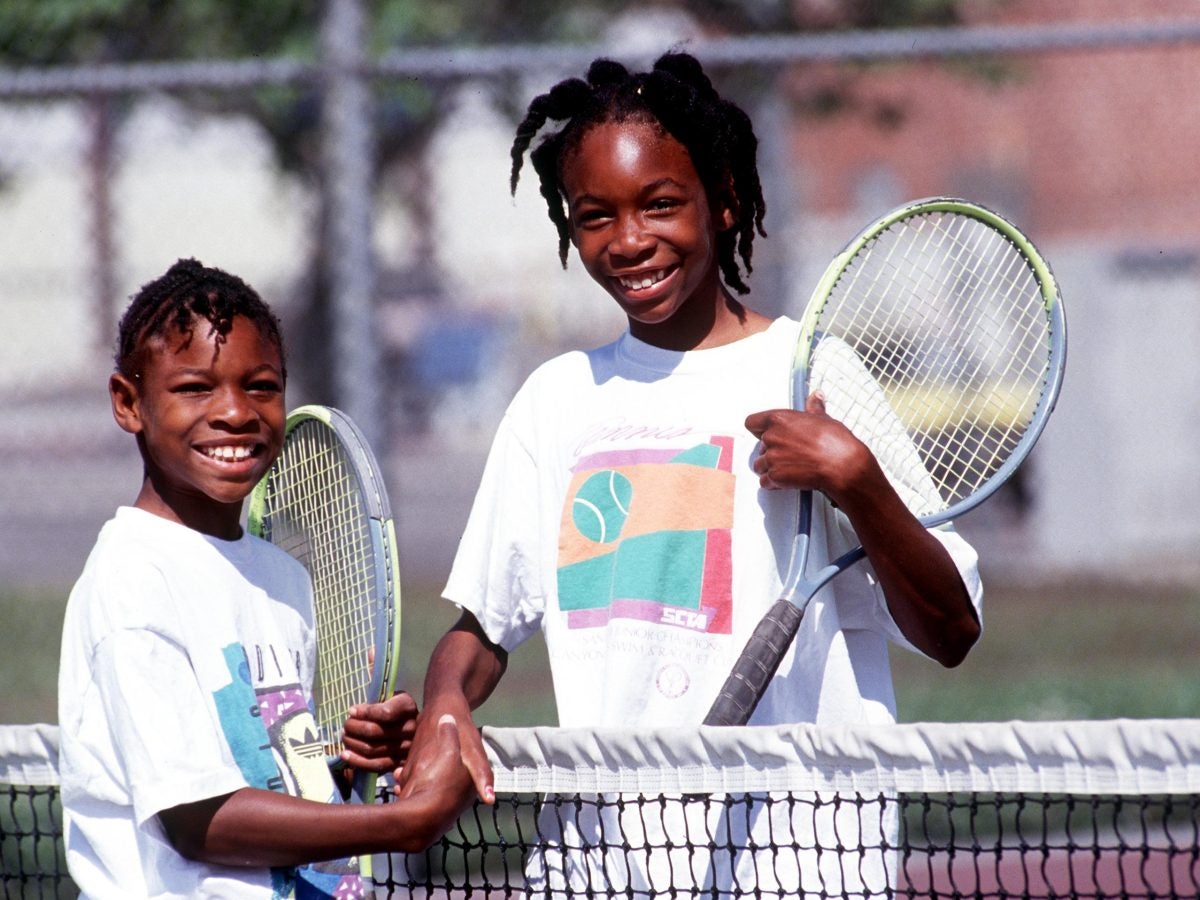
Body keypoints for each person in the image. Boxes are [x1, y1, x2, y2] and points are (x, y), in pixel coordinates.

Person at [402, 52, 983, 896]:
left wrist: (856, 479)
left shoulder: (813, 371)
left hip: (804, 866)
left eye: (661, 204)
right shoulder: (555, 401)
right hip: (603, 867)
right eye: (594, 215)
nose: (629, 240)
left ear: (725, 199)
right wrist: (447, 700)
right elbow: (483, 629)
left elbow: (951, 630)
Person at [57, 258, 474, 899]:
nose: (235, 412)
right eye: (195, 388)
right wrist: (401, 822)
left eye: (261, 386)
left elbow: (273, 771)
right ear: (128, 402)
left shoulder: (284, 579)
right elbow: (198, 820)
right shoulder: (132, 578)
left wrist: (347, 760)